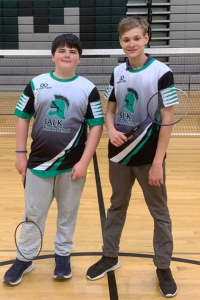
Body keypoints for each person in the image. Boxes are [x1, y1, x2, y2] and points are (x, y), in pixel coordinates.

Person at [86, 16, 177, 298]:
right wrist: (111, 130)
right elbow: (109, 110)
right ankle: (110, 256)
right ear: (120, 42)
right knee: (116, 207)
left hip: (150, 157)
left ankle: (163, 266)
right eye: (126, 40)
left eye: (136, 38)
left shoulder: (163, 72)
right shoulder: (117, 73)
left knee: (159, 214)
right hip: (119, 154)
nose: (131, 44)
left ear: (146, 38)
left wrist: (158, 162)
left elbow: (168, 117)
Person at [3, 33, 104, 285]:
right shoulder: (36, 84)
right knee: (33, 213)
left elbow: (97, 127)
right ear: (53, 56)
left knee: (68, 213)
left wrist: (85, 162)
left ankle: (62, 255)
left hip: (72, 167)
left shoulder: (88, 89)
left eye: (72, 51)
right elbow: (22, 118)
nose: (67, 54)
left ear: (79, 58)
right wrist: (19, 154)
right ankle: (25, 258)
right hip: (38, 164)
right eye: (62, 50)